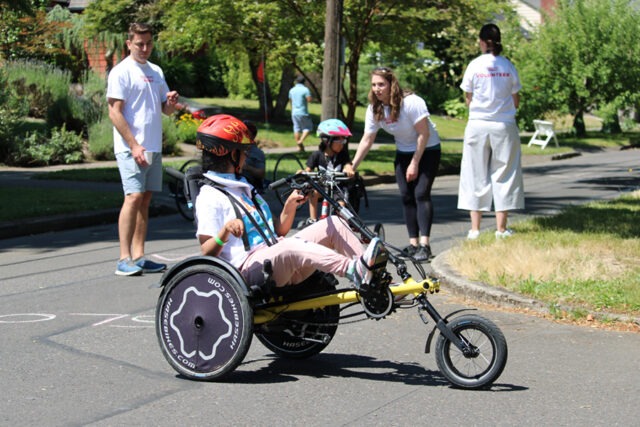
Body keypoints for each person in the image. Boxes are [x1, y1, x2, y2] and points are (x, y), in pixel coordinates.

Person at [193, 114, 387, 291]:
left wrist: (290, 206)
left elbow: (278, 231)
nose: (246, 157)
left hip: (276, 258)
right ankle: (353, 270)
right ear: (233, 155)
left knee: (334, 223)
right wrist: (225, 231)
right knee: (289, 246)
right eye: (244, 152)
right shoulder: (210, 196)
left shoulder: (243, 188)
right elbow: (207, 251)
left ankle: (371, 276)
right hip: (248, 270)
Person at [107, 22, 179, 276]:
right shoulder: (121, 71)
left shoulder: (156, 70)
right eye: (139, 44)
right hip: (131, 148)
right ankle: (123, 258)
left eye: (148, 43)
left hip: (153, 146)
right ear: (129, 44)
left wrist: (170, 103)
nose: (145, 48)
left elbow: (165, 110)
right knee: (133, 197)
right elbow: (114, 112)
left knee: (145, 200)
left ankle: (139, 256)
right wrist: (133, 144)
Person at [351, 67, 441, 262]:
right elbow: (367, 139)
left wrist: (415, 163)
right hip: (403, 152)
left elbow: (423, 134)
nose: (377, 88)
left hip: (427, 150)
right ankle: (413, 244)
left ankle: (425, 245)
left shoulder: (411, 103)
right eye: (374, 84)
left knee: (420, 194)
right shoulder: (375, 108)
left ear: (392, 84)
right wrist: (352, 165)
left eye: (381, 84)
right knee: (406, 196)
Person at [457, 23, 524, 240]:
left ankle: (475, 229)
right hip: (503, 124)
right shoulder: (508, 66)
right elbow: (516, 99)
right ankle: (501, 229)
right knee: (505, 172)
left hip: (477, 124)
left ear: (482, 41)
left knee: (474, 173)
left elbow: (468, 97)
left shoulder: (474, 66)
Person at [304, 118, 355, 225]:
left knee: (340, 206)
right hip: (322, 186)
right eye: (339, 141)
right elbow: (308, 169)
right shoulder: (317, 155)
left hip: (337, 188)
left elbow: (347, 165)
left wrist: (349, 169)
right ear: (327, 141)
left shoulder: (343, 155)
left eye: (344, 140)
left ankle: (340, 224)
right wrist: (302, 173)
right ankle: (312, 220)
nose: (342, 144)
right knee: (312, 192)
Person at [288, 75, 313, 152]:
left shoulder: (292, 90)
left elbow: (290, 100)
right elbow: (309, 100)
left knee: (296, 128)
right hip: (303, 112)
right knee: (308, 128)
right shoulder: (305, 90)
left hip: (294, 112)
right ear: (304, 82)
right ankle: (300, 141)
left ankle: (300, 147)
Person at [240, 120, 266, 192]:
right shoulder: (234, 148)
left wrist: (247, 167)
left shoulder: (257, 153)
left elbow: (261, 173)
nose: (243, 134)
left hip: (250, 186)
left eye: (246, 132)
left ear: (252, 136)